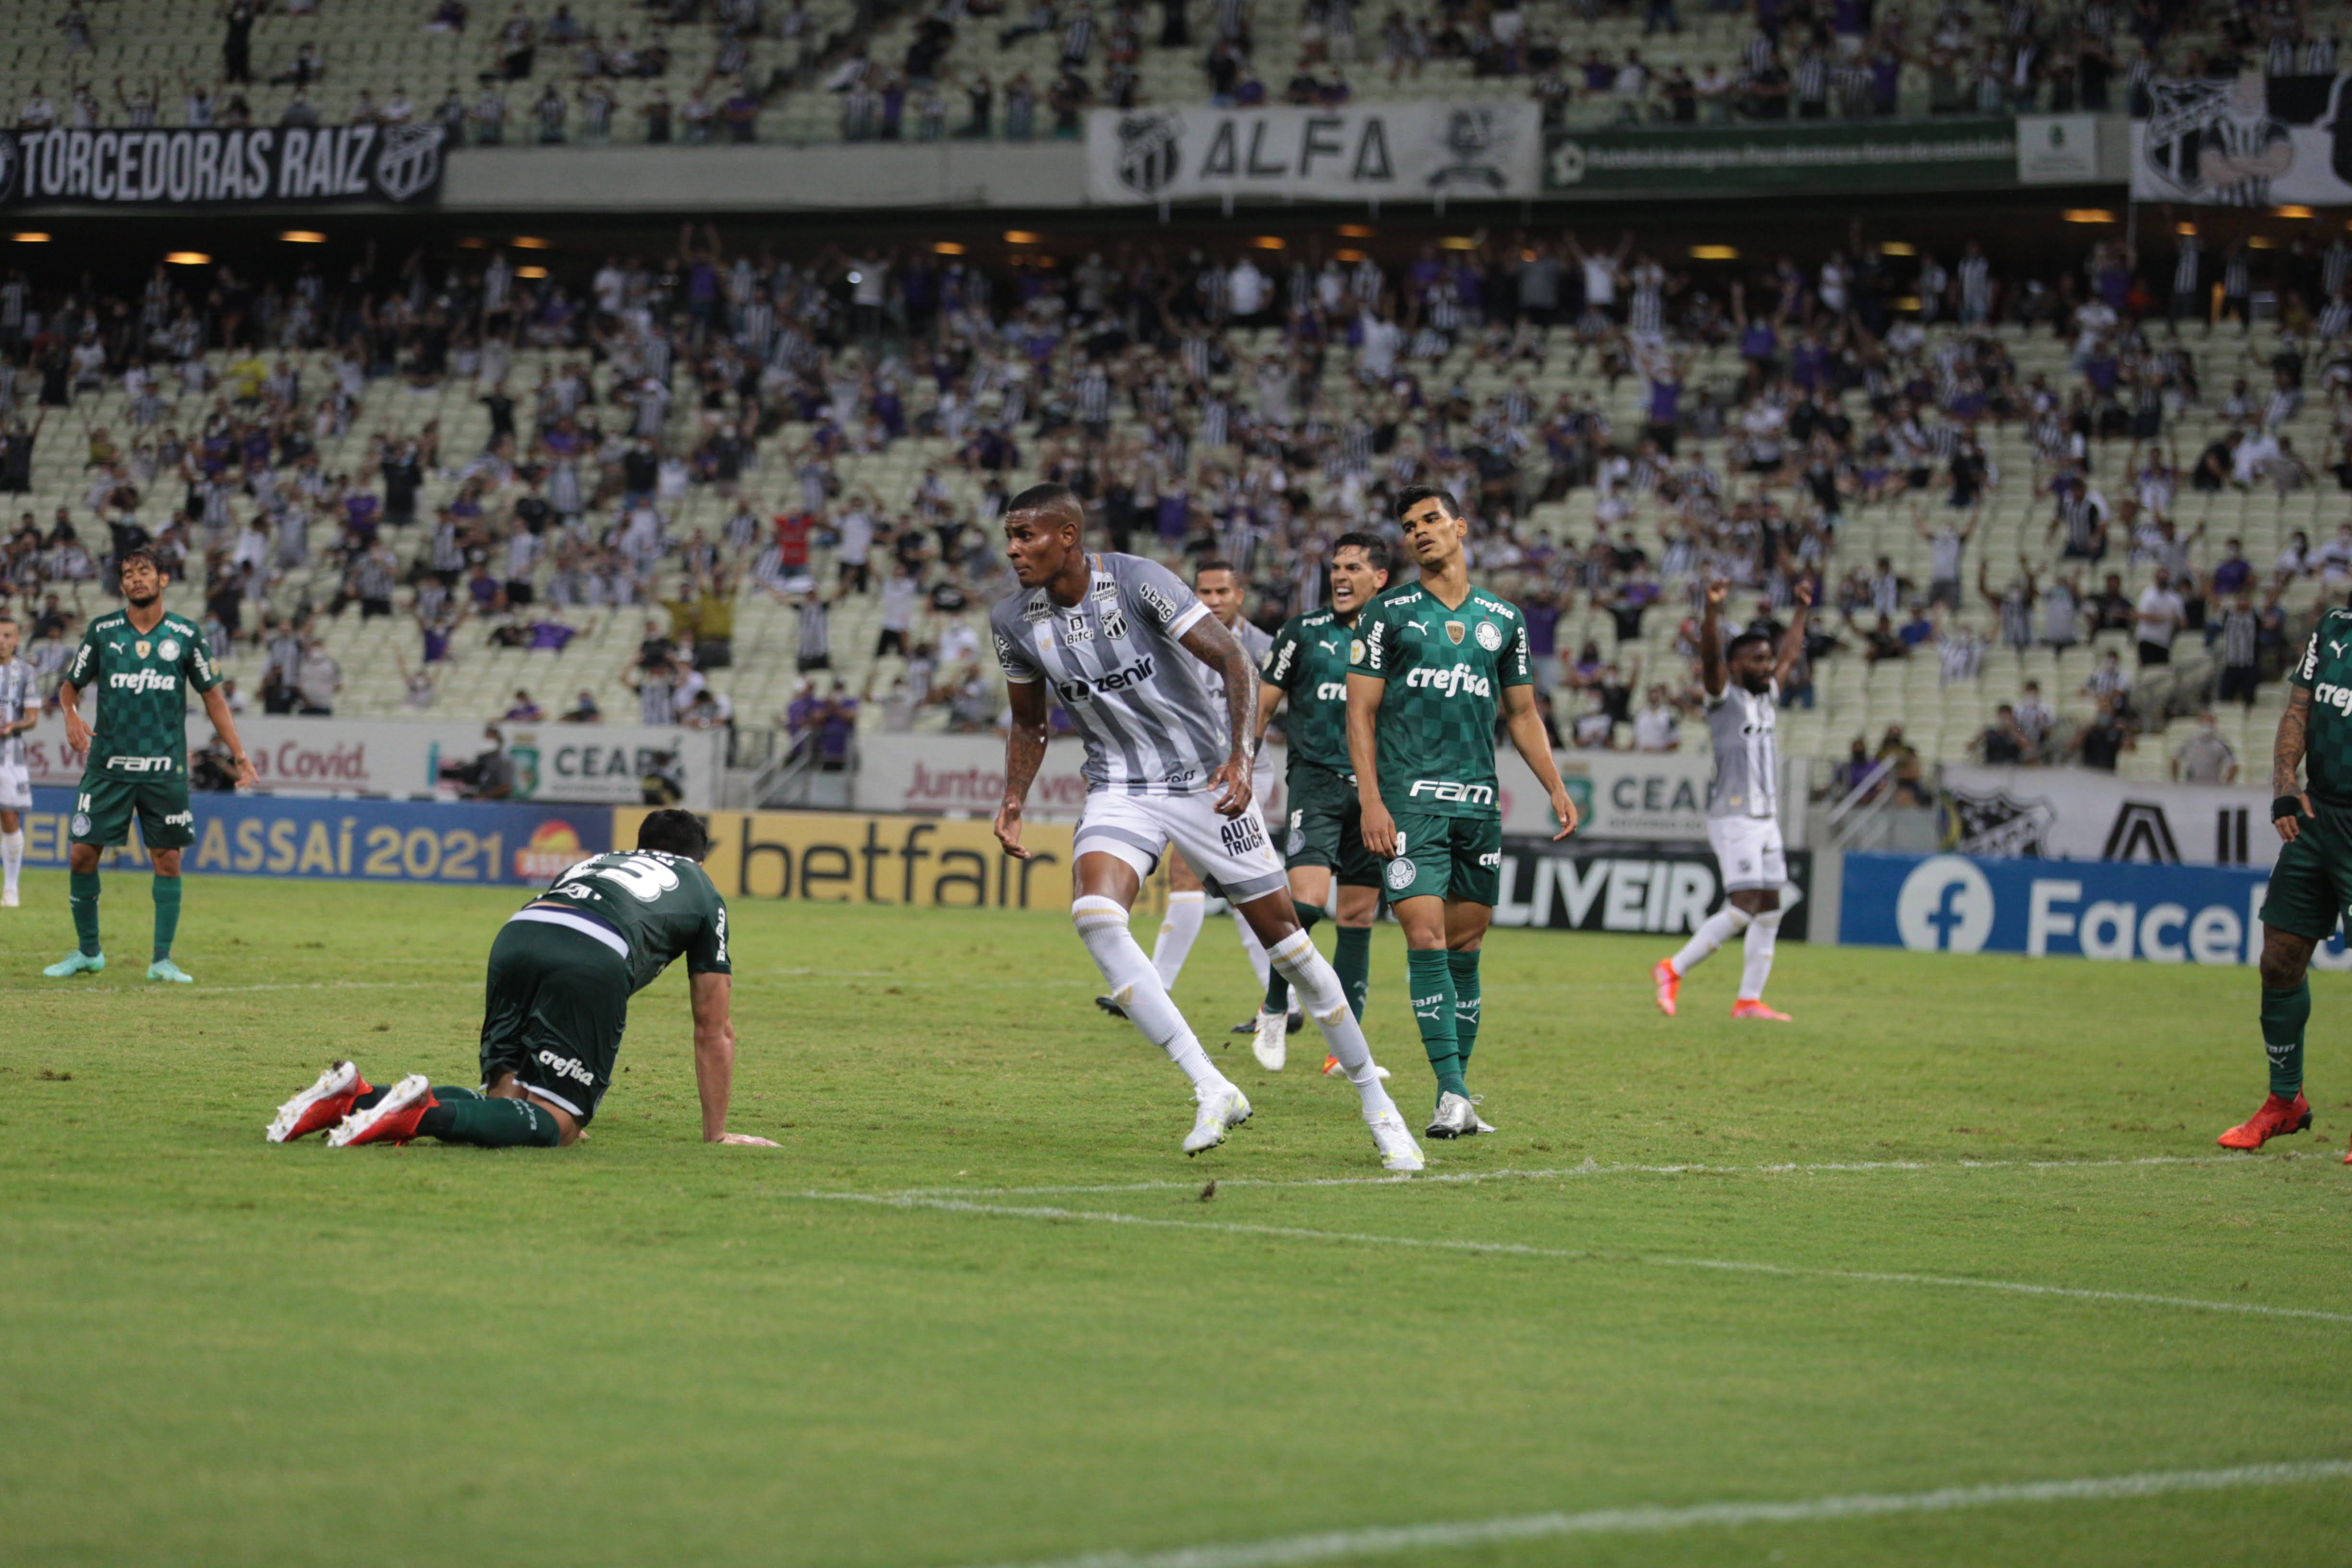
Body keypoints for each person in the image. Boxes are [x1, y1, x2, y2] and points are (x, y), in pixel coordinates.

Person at [988, 482, 1422, 1170]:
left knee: (1290, 948)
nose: (1013, 549)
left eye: (1026, 536)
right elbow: (1030, 722)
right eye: (1009, 537)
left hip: (1204, 783)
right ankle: (1211, 1084)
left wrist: (1241, 760)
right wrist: (1014, 796)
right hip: (1120, 786)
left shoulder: (1138, 581)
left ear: (1066, 536)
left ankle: (1377, 1102)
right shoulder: (1013, 620)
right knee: (1096, 915)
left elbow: (1231, 658)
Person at [267, 810, 779, 1151]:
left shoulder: (597, 860)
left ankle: (352, 1098)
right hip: (590, 952)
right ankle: (413, 1116)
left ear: (639, 845)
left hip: (517, 935)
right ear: (700, 857)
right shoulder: (702, 888)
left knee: (506, 1106)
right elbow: (714, 1028)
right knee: (559, 1127)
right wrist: (717, 1134)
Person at [1347, 485, 1580, 1139]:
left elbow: (1522, 713)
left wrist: (1555, 786)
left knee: (1466, 945)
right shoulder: (1386, 614)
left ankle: (1460, 1096)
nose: (1420, 531)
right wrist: (1370, 798)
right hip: (1408, 805)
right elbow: (1359, 713)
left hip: (1477, 804)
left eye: (1430, 520)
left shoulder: (1501, 619)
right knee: (1424, 936)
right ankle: (1451, 1092)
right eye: (1408, 525)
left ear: (1461, 528)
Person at [1093, 558, 1296, 1052]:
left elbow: (1284, 705)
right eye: (1203, 590)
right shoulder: (1177, 638)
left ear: (1239, 594)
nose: (1211, 600)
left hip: (1243, 772)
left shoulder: (1265, 649)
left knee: (1199, 875)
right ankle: (1283, 1003)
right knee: (1244, 888)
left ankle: (1156, 989)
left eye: (1221, 591)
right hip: (1191, 773)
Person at [44, 549, 256, 983]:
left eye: (144, 572)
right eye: (128, 574)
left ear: (163, 579)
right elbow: (69, 688)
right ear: (121, 586)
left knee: (169, 860)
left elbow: (213, 697)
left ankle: (162, 960)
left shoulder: (186, 634)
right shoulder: (103, 632)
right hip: (108, 767)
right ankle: (88, 953)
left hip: (163, 769)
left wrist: (239, 753)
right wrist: (71, 715)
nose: (136, 579)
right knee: (82, 855)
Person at [1253, 530, 1392, 1077]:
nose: (1339, 576)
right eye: (1335, 567)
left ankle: (1343, 1051)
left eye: (1353, 568)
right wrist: (1240, 766)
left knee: (1357, 915)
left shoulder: (1399, 636)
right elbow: (1262, 707)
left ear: (1379, 579)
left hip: (1376, 792)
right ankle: (1272, 1007)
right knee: (1306, 903)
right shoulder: (1302, 633)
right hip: (1315, 781)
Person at [2220, 604, 2352, 1162]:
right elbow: (2298, 707)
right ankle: (2284, 1101)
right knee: (2278, 957)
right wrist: (2283, 783)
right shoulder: (2333, 627)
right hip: (2317, 814)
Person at [1652, 576, 1814, 1022]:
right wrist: (1711, 612)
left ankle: (1748, 1000)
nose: (1768, 666)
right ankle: (1672, 968)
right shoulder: (1724, 700)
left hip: (1766, 818)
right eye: (1757, 660)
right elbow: (1709, 656)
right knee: (1744, 906)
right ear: (1736, 664)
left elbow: (1791, 655)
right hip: (1735, 817)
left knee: (1771, 907)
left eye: (1767, 659)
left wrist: (1801, 610)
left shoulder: (1768, 699)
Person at [0, 613, 36, 906]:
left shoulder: (25, 673)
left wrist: (13, 725)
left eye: (8, 636)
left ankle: (11, 889)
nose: (2, 642)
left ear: (17, 639)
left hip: (10, 758)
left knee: (9, 817)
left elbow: (33, 718)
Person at [2172, 709, 2239, 783]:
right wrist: (2176, 782)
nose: (2207, 723)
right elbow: (2175, 760)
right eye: (2205, 720)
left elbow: (2234, 766)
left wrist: (2227, 785)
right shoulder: (2190, 742)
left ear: (2215, 723)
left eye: (2210, 720)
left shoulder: (2221, 744)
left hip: (2213, 787)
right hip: (2191, 786)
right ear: (2199, 722)